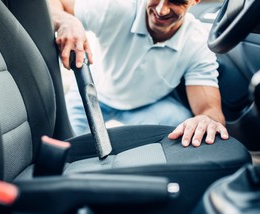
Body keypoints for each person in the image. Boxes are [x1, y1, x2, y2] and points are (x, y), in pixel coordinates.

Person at [48, 0, 229, 147]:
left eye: (175, 1)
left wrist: (206, 120)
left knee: (185, 126)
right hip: (92, 94)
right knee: (63, 145)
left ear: (195, 1)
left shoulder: (197, 44)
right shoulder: (116, 8)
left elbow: (210, 111)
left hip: (146, 107)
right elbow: (53, 3)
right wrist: (67, 21)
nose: (161, 9)